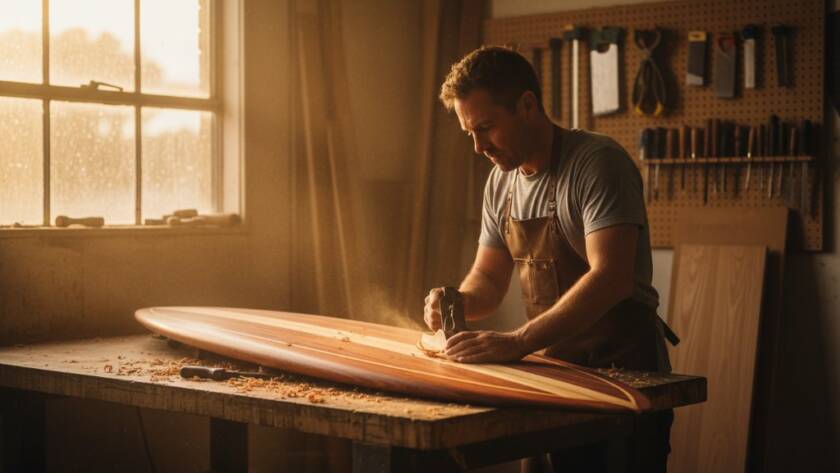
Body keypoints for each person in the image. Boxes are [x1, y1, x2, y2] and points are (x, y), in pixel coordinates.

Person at [423, 46, 676, 473]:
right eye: (470, 133)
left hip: (621, 373)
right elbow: (488, 277)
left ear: (527, 105)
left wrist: (518, 341)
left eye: (486, 128)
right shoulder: (500, 183)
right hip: (553, 372)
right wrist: (459, 302)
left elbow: (611, 277)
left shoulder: (597, 164)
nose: (478, 146)